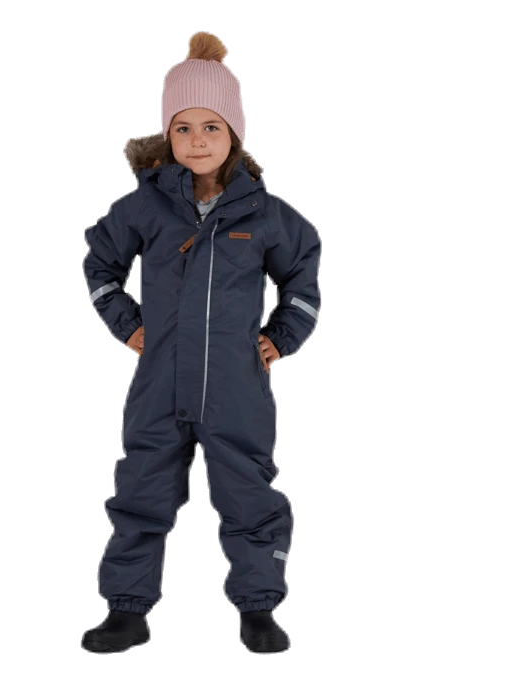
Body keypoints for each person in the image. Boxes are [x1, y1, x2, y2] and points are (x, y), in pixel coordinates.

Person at [82, 30, 321, 654]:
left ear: (233, 133)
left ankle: (260, 611)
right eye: (182, 128)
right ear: (168, 135)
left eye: (210, 127)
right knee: (140, 487)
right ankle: (126, 611)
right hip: (160, 381)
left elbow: (304, 274)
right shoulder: (144, 207)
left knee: (250, 493)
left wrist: (282, 335)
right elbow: (100, 264)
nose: (196, 141)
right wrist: (127, 323)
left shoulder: (266, 214)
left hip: (235, 385)